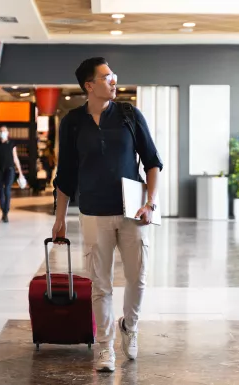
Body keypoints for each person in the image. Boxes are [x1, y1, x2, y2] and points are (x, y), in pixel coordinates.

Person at [52, 57, 163, 372]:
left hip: (132, 213)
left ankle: (129, 325)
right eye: (107, 76)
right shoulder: (72, 122)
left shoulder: (129, 114)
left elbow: (153, 161)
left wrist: (150, 202)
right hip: (93, 213)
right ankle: (104, 348)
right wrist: (60, 217)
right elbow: (66, 174)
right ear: (89, 85)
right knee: (100, 284)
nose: (114, 80)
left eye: (113, 75)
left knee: (137, 279)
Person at [0, 126, 24, 223]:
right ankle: (3, 210)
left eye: (4, 131)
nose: (2, 133)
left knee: (7, 189)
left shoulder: (12, 144)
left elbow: (15, 158)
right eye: (1, 131)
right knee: (0, 190)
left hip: (10, 169)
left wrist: (20, 172)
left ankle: (6, 212)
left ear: (8, 133)